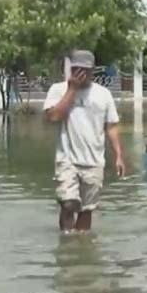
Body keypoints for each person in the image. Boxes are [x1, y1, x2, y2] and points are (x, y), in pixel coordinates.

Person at [44, 49, 125, 234]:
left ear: (93, 70)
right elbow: (53, 117)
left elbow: (111, 126)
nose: (82, 74)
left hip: (94, 161)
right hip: (67, 159)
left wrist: (119, 156)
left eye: (86, 70)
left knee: (86, 210)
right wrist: (72, 89)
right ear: (71, 69)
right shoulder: (58, 90)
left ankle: (80, 245)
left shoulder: (103, 94)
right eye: (77, 70)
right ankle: (65, 240)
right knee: (68, 203)